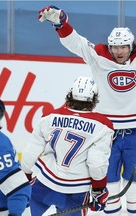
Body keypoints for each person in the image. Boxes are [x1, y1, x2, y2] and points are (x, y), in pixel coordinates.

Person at [38, 5, 136, 215]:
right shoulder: (99, 57)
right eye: (115, 47)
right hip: (106, 134)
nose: (118, 51)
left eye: (123, 47)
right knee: (109, 186)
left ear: (130, 46)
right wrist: (61, 23)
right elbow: (76, 43)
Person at [21, 76, 114, 216]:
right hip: (76, 190)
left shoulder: (49, 117)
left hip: (45, 181)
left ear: (69, 95)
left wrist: (24, 178)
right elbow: (96, 163)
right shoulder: (103, 125)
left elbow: (30, 152)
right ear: (94, 99)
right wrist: (98, 190)